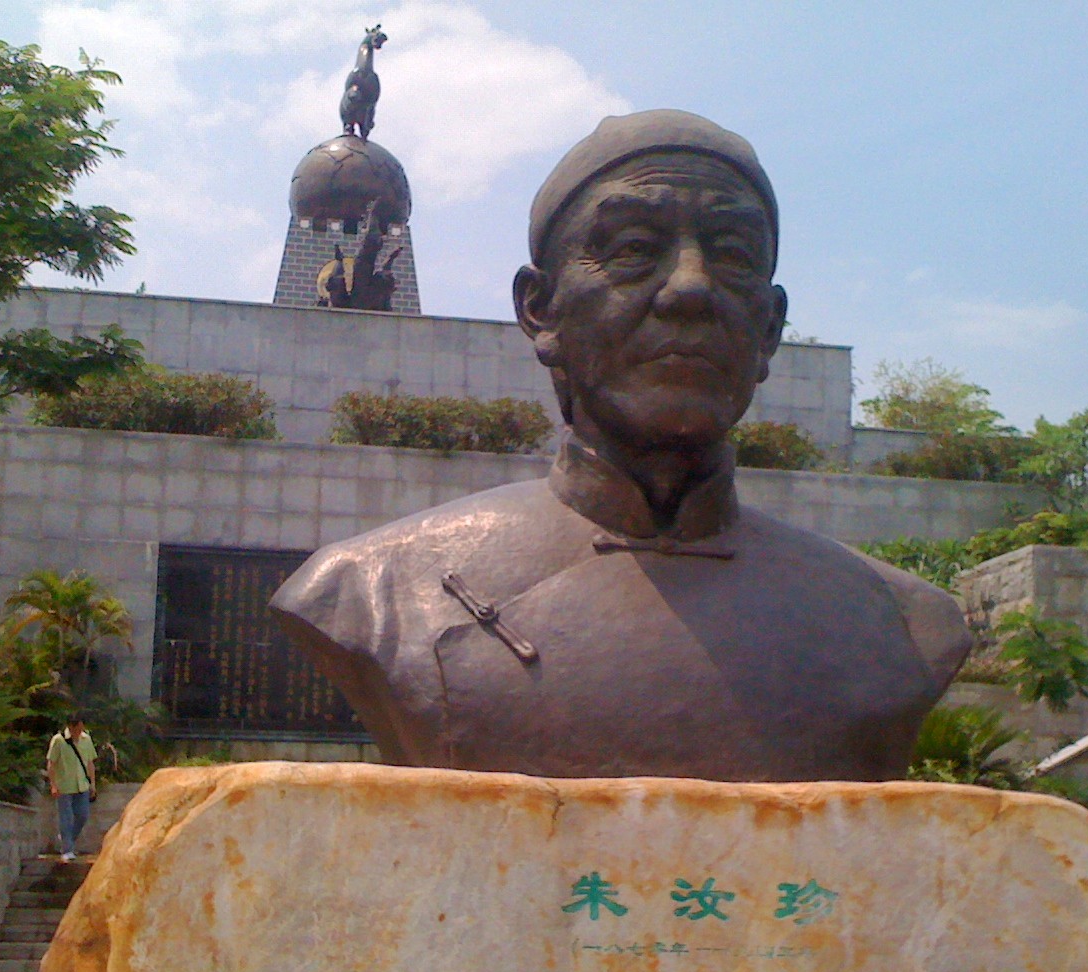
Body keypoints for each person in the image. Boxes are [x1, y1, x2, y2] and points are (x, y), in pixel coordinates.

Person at [271, 109, 970, 781]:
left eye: (733, 255)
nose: (691, 288)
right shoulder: (375, 592)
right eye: (634, 249)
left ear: (771, 328)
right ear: (540, 309)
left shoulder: (902, 624)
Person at [47, 714, 97, 862]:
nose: (80, 732)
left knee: (83, 816)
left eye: (82, 728)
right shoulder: (59, 740)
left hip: (82, 785)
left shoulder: (86, 740)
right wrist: (53, 785)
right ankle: (67, 849)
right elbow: (51, 763)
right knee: (66, 818)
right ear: (70, 727)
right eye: (78, 729)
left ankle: (66, 839)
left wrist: (92, 784)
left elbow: (90, 763)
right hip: (64, 786)